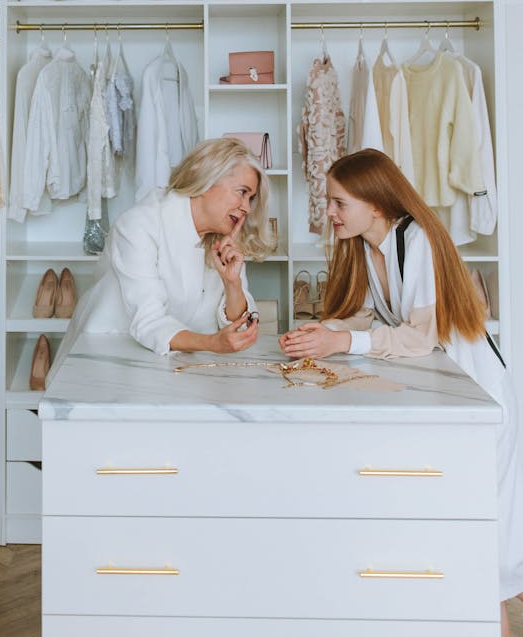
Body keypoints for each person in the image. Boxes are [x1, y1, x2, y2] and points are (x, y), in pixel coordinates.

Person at [280, 148, 523, 634]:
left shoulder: (419, 241)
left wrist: (342, 340)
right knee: (460, 530)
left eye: (337, 202)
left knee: (486, 542)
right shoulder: (374, 247)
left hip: (480, 398)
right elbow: (374, 315)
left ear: (374, 203)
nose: (328, 212)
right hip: (446, 395)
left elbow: (419, 335)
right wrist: (324, 331)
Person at [51, 137, 272, 370]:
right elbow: (149, 321)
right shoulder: (139, 225)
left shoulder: (223, 242)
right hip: (107, 359)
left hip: (178, 367)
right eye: (242, 192)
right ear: (207, 179)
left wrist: (232, 283)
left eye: (251, 198)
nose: (246, 208)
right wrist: (212, 343)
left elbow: (239, 329)